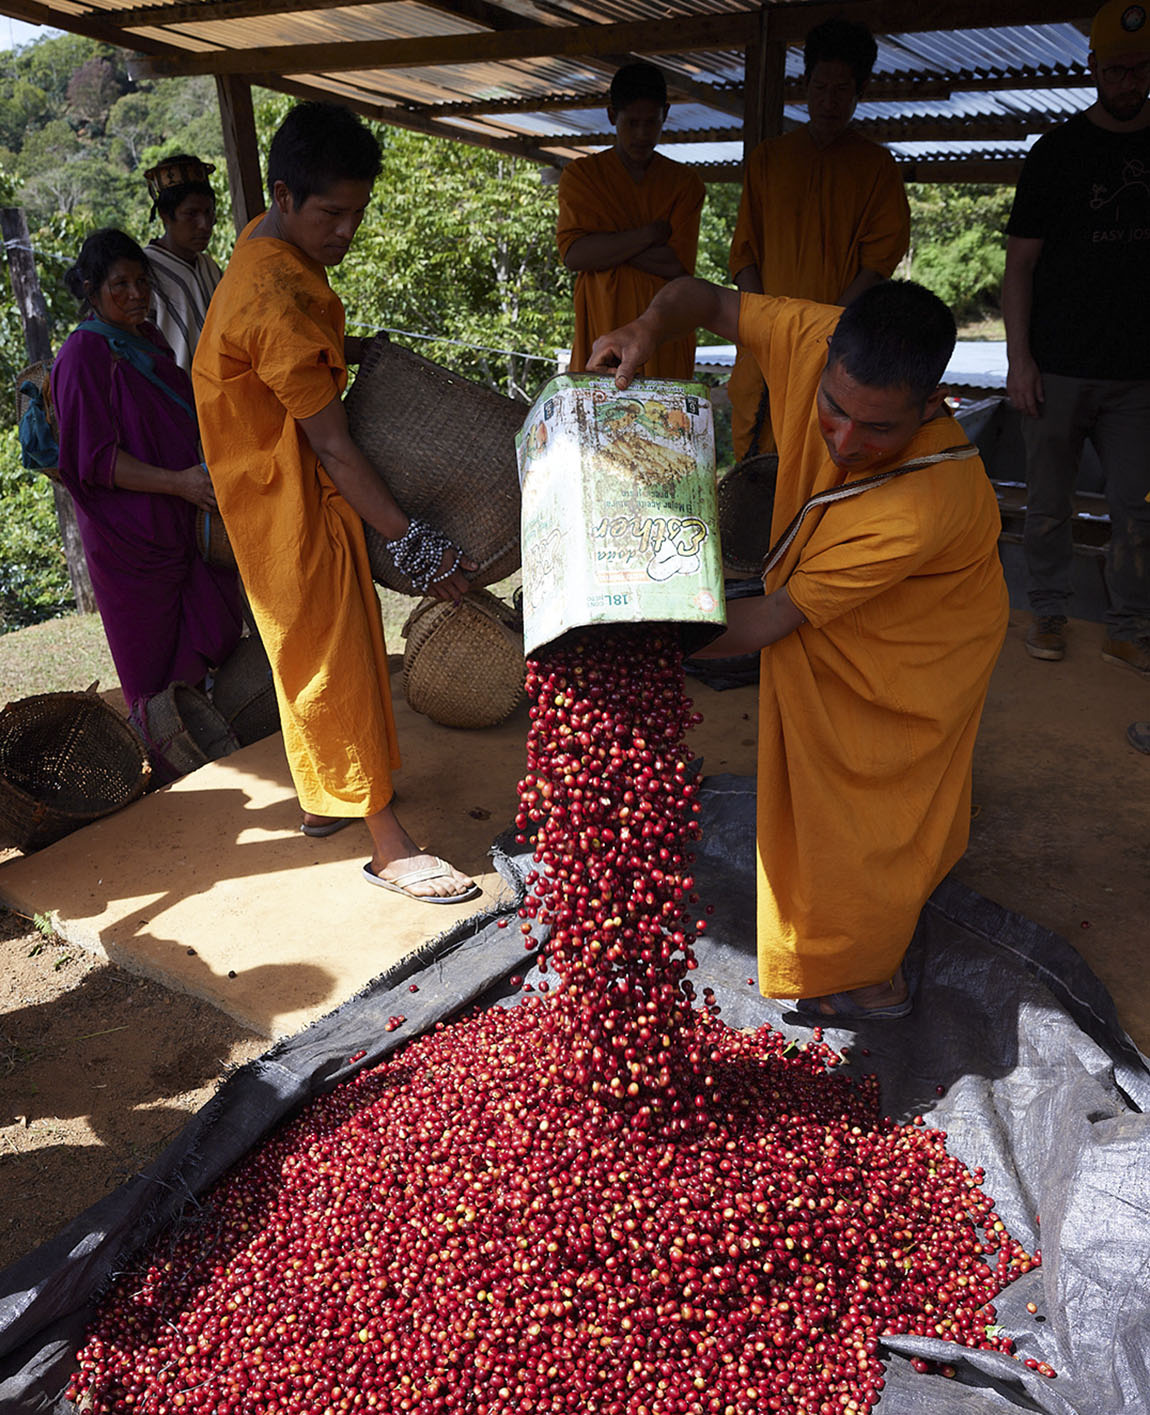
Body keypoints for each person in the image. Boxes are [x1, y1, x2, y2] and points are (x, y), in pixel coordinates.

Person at [588, 278, 1008, 1021]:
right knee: (817, 793)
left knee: (871, 799)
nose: (845, 442)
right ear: (827, 360)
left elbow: (771, 617)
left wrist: (639, 642)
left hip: (916, 641)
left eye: (879, 429)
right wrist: (647, 325)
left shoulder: (924, 504)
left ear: (934, 401)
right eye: (834, 409)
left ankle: (874, 977)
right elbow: (702, 299)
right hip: (832, 601)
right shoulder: (811, 334)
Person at [193, 101, 479, 905]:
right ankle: (386, 842)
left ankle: (327, 798)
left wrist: (344, 349)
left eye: (357, 212)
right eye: (331, 213)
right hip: (280, 491)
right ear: (284, 196)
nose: (346, 231)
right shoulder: (272, 301)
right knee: (333, 654)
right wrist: (414, 541)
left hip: (276, 476)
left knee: (316, 644)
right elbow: (334, 446)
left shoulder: (262, 237)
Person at [1004, 0, 1150, 673]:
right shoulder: (1057, 153)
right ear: (1091, 67)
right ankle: (1050, 614)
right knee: (1049, 508)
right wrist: (1019, 361)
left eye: (1141, 69)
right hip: (1057, 366)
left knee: (1136, 509)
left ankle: (1129, 625)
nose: (1128, 81)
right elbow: (1021, 267)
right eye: (1116, 69)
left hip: (1138, 374)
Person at [51, 228, 243, 720]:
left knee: (207, 633)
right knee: (153, 659)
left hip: (179, 517)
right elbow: (95, 460)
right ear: (92, 291)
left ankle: (210, 735)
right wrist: (179, 482)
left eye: (142, 282)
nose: (136, 294)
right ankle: (168, 752)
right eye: (120, 285)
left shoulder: (148, 337)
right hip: (131, 540)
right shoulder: (81, 355)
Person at [726, 17, 910, 460]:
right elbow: (744, 253)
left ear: (860, 90)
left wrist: (829, 328)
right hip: (765, 343)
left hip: (835, 345)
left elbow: (877, 262)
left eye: (842, 90)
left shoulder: (877, 168)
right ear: (805, 83)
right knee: (759, 467)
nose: (829, 101)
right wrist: (764, 324)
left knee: (822, 456)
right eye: (820, 87)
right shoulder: (769, 160)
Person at [556, 61, 704, 380]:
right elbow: (575, 254)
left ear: (665, 113)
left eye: (650, 122)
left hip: (664, 338)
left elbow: (676, 266)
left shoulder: (685, 183)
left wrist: (607, 244)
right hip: (601, 335)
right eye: (631, 122)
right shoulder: (581, 176)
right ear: (612, 116)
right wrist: (650, 234)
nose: (641, 134)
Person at [143, 155, 223, 374]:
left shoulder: (209, 266)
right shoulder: (144, 273)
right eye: (191, 214)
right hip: (175, 398)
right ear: (165, 216)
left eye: (208, 212)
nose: (204, 225)